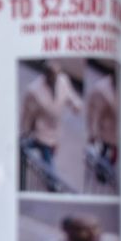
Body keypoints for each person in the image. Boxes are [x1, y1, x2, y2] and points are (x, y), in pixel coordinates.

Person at [19, 60, 82, 190]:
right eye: (52, 75)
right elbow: (27, 114)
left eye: (57, 75)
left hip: (56, 129)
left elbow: (69, 94)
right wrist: (25, 129)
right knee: (48, 158)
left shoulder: (63, 81)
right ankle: (52, 183)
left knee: (48, 152)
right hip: (42, 130)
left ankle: (23, 146)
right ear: (46, 75)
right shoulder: (34, 91)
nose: (55, 79)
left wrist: (76, 104)